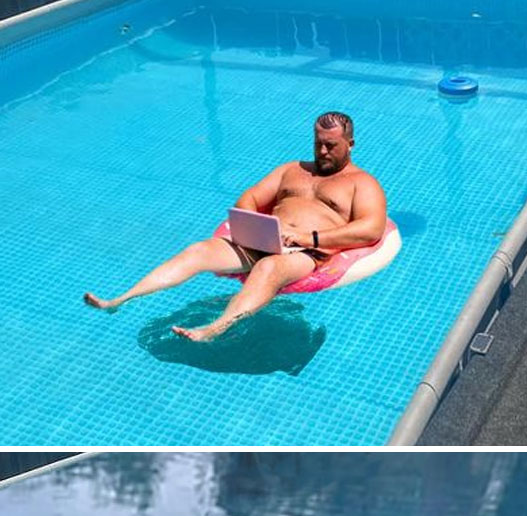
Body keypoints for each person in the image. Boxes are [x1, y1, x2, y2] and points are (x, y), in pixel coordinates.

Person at [84, 111, 387, 344]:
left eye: (331, 146)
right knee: (198, 250)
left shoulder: (362, 183)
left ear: (350, 144)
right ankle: (119, 300)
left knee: (269, 268)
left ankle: (213, 329)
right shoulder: (292, 170)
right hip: (266, 238)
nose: (322, 152)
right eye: (318, 143)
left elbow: (371, 229)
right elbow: (251, 196)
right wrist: (254, 223)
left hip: (307, 250)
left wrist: (310, 237)